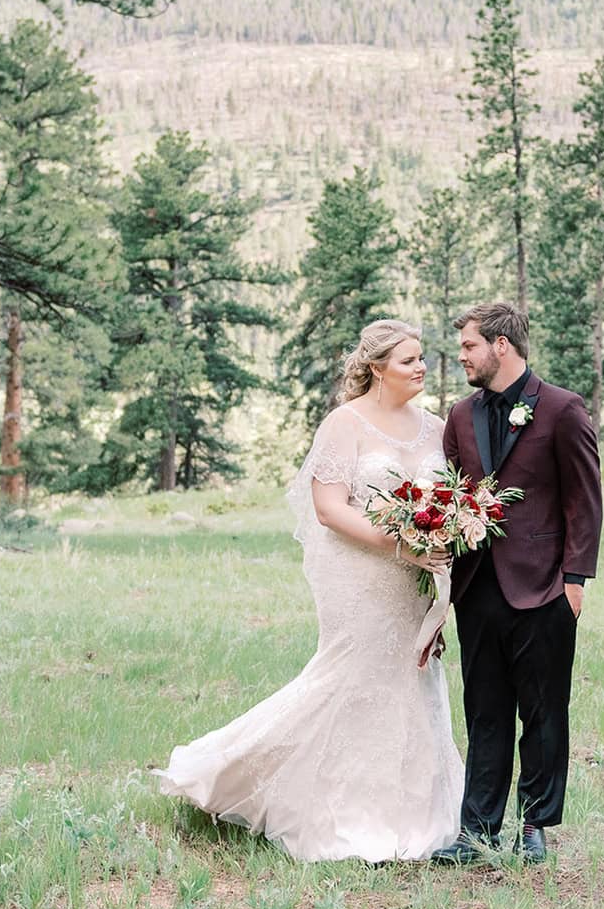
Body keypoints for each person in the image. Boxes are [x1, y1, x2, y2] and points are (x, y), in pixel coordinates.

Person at [154, 320, 462, 862]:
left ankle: (412, 812)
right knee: (351, 677)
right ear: (377, 368)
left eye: (421, 358)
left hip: (416, 583)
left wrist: (438, 546)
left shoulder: (436, 427)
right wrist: (402, 546)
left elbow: (452, 502)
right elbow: (329, 509)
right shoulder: (345, 424)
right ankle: (248, 777)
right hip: (362, 577)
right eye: (409, 360)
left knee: (412, 677)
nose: (421, 367)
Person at [432, 302, 602, 866]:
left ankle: (535, 825)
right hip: (477, 586)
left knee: (543, 711)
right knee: (484, 711)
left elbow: (584, 499)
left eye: (469, 346)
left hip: (545, 587)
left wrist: (574, 581)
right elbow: (453, 496)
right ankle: (477, 831)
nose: (462, 356)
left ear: (500, 345)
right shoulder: (460, 416)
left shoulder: (562, 408)